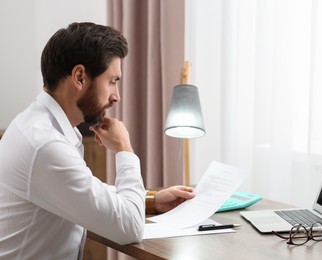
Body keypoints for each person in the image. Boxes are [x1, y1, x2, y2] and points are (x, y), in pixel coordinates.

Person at [0, 22, 195, 259]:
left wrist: (151, 200)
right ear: (80, 76)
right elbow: (130, 229)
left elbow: (83, 190)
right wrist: (124, 149)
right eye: (112, 81)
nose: (117, 96)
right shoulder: (45, 145)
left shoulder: (40, 125)